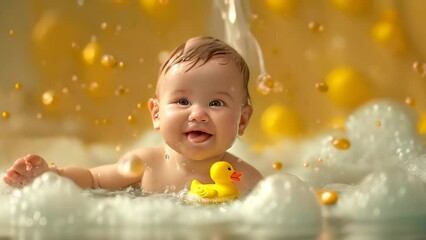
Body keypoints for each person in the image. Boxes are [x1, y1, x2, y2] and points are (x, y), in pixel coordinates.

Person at [3, 36, 263, 195]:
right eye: (183, 101)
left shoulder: (246, 179)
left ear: (241, 120)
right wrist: (52, 177)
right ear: (157, 114)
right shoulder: (145, 164)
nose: (198, 113)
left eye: (216, 103)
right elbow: (93, 180)